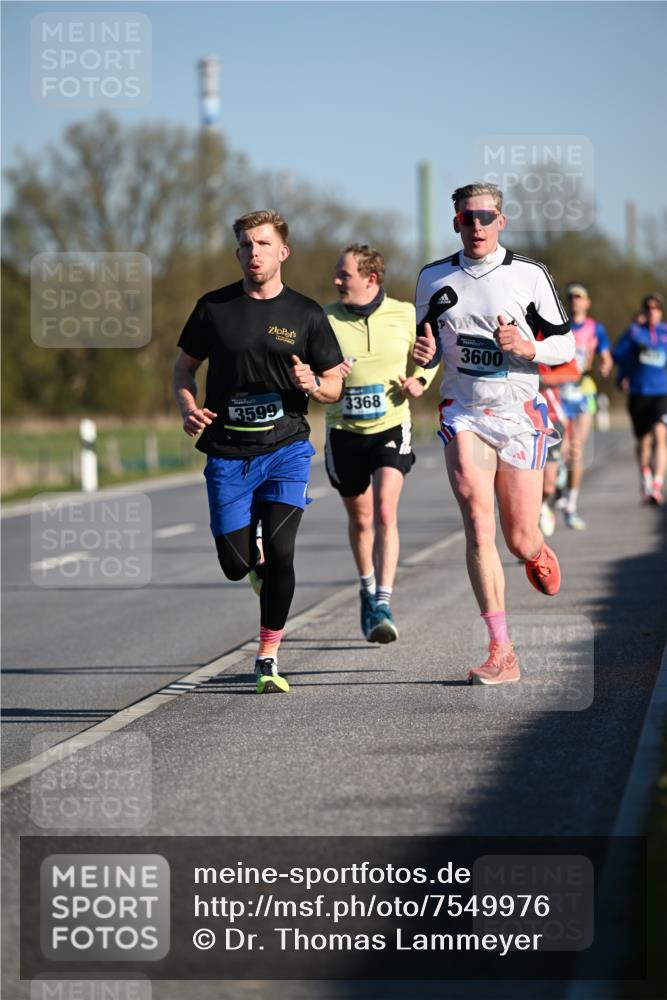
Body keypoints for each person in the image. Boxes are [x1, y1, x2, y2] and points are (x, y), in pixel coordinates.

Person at [173, 210, 343, 693]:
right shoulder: (214, 308)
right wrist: (188, 407)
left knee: (284, 552)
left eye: (263, 244)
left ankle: (267, 657)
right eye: (246, 245)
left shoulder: (307, 314)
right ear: (237, 252)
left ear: (282, 251)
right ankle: (256, 566)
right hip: (227, 451)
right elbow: (182, 369)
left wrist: (315, 383)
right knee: (234, 564)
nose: (254, 253)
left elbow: (332, 385)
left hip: (285, 447)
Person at [413, 182, 575, 686]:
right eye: (466, 218)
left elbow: (567, 347)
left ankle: (536, 551)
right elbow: (429, 346)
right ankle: (501, 651)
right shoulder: (434, 278)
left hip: (520, 414)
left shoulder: (528, 274)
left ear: (501, 221)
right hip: (465, 411)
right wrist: (421, 364)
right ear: (456, 222)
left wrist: (528, 348)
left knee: (519, 537)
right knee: (475, 513)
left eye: (485, 217)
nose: (476, 226)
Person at [323, 244, 438, 643]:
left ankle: (384, 602)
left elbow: (432, 350)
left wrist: (420, 378)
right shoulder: (324, 319)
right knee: (362, 519)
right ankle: (367, 588)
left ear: (370, 279)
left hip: (391, 424)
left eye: (345, 274)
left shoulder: (405, 313)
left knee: (386, 510)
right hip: (344, 432)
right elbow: (302, 365)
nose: (337, 280)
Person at [555, 284, 613, 529]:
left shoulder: (595, 328)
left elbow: (606, 356)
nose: (575, 301)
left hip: (583, 390)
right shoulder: (558, 326)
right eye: (571, 297)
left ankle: (571, 505)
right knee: (562, 449)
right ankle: (556, 486)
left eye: (579, 297)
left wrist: (605, 366)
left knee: (576, 449)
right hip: (559, 391)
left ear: (587, 303)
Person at [613, 292, 667, 505]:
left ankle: (657, 484)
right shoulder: (634, 332)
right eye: (648, 308)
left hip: (662, 393)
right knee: (644, 442)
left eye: (656, 308)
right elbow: (619, 356)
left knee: (660, 435)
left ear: (660, 311)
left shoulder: (666, 332)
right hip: (638, 393)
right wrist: (621, 377)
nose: (652, 311)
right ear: (644, 311)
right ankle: (645, 477)